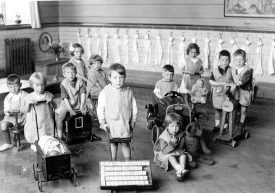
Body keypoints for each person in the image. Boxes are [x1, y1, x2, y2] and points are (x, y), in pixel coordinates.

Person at [97, 63, 137, 161]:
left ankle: (128, 162)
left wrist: (133, 120)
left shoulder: (128, 92)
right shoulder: (105, 92)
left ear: (125, 77)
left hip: (124, 123)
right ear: (109, 78)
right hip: (111, 124)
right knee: (113, 144)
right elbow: (100, 108)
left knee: (125, 143)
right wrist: (102, 122)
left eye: (121, 77)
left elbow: (134, 106)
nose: (118, 80)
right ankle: (113, 161)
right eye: (115, 78)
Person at [153, 113, 190, 181]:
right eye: (172, 126)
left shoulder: (179, 134)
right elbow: (164, 151)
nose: (175, 129)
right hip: (165, 153)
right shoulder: (163, 137)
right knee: (171, 157)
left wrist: (181, 145)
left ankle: (180, 171)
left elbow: (181, 147)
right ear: (167, 126)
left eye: (177, 126)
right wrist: (172, 143)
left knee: (183, 155)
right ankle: (179, 168)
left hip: (175, 150)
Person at [24, 72, 55, 152]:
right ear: (32, 85)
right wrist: (29, 103)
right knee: (35, 132)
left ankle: (46, 143)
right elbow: (25, 110)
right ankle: (34, 144)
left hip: (46, 117)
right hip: (34, 120)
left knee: (46, 131)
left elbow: (55, 107)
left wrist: (51, 101)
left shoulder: (48, 95)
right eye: (37, 86)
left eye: (42, 85)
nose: (40, 88)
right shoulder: (29, 97)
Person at [55, 62, 87, 138]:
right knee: (60, 117)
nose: (71, 74)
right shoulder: (63, 84)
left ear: (76, 73)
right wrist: (70, 109)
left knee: (89, 113)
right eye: (68, 72)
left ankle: (88, 130)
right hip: (67, 104)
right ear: (64, 74)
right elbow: (65, 98)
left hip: (78, 102)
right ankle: (59, 132)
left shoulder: (79, 81)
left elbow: (83, 94)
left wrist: (82, 105)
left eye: (73, 72)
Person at [209, 50, 235, 132]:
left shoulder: (231, 70)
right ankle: (217, 125)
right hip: (217, 93)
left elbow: (235, 81)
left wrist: (231, 86)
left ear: (230, 60)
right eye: (222, 60)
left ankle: (225, 126)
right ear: (219, 60)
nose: (224, 62)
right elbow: (210, 81)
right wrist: (220, 83)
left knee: (226, 110)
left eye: (227, 60)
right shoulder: (215, 70)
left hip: (227, 94)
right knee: (217, 110)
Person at [0, 74, 28, 152]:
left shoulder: (25, 95)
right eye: (11, 87)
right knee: (3, 125)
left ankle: (32, 140)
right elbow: (6, 109)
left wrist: (24, 111)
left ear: (20, 85)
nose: (14, 89)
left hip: (23, 116)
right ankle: (8, 143)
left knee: (31, 123)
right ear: (8, 87)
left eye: (16, 86)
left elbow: (28, 106)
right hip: (11, 117)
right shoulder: (8, 98)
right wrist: (8, 112)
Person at [86, 54, 109, 141]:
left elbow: (106, 81)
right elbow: (97, 84)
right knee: (93, 109)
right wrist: (105, 91)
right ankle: (93, 128)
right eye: (94, 63)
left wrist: (108, 88)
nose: (97, 65)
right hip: (93, 93)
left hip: (102, 92)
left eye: (98, 63)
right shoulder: (92, 72)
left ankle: (103, 121)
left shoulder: (102, 72)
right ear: (91, 64)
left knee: (103, 107)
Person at [232, 49, 253, 131]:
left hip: (244, 92)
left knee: (243, 109)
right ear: (234, 60)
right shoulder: (233, 69)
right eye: (237, 60)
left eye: (241, 59)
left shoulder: (248, 70)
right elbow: (231, 79)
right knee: (234, 108)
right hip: (236, 92)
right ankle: (232, 124)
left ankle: (241, 125)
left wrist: (235, 84)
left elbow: (243, 80)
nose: (239, 61)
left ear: (245, 60)